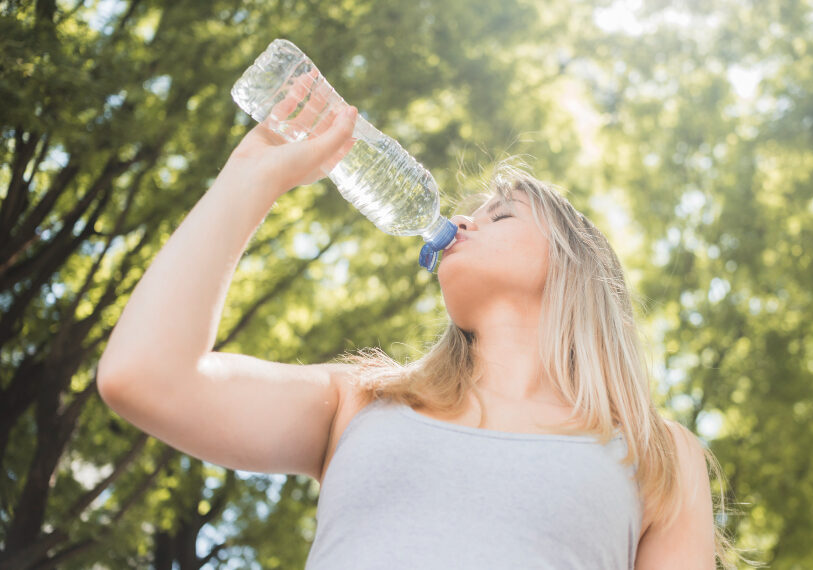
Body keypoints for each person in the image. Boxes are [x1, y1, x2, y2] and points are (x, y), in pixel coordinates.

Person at [97, 103, 739, 569]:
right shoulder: (360, 402)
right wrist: (250, 176)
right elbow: (145, 377)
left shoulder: (658, 454)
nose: (462, 219)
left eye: (503, 211)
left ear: (577, 266)